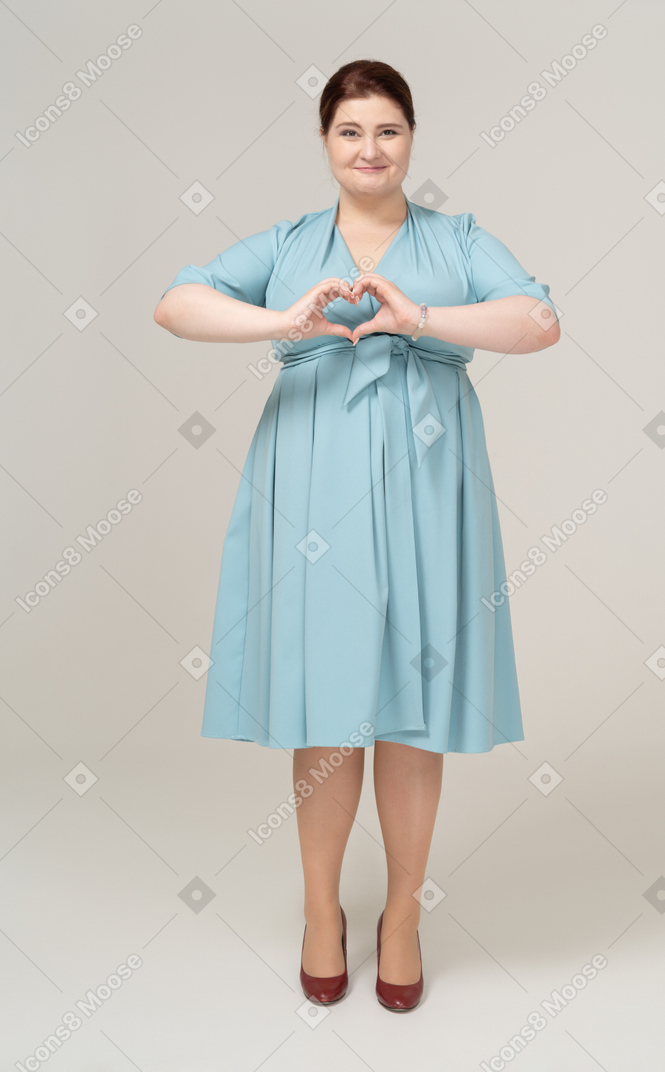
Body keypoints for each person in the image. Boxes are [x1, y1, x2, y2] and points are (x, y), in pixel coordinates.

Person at [154, 58, 560, 1012]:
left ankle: (404, 917)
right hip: (312, 493)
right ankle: (321, 912)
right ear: (325, 142)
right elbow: (176, 301)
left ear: (410, 139)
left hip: (428, 489)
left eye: (386, 130)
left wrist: (417, 315)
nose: (369, 149)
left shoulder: (456, 240)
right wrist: (277, 318)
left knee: (413, 710)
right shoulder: (291, 243)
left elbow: (537, 319)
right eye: (349, 131)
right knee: (327, 712)